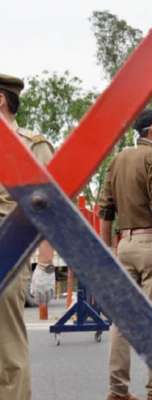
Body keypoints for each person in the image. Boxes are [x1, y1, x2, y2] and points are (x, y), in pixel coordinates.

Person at [98, 109, 152, 400]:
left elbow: (105, 210)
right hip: (150, 244)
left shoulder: (117, 159)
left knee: (122, 321)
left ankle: (117, 391)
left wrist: (107, 249)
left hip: (124, 245)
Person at [0, 73, 56, 400]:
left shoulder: (30, 145)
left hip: (7, 249)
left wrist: (46, 266)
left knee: (7, 353)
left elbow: (48, 206)